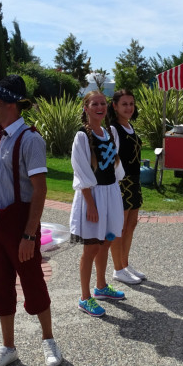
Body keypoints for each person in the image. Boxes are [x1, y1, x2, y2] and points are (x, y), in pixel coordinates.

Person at [0, 75, 62, 366]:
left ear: (11, 104)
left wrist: (29, 234)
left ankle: (49, 340)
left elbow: (40, 190)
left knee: (33, 282)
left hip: (20, 226)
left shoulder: (30, 139)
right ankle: (8, 347)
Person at [70, 90, 126, 317]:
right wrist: (91, 205)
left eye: (103, 103)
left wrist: (115, 196)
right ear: (86, 108)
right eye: (95, 104)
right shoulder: (82, 136)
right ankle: (85, 298)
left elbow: (115, 166)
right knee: (92, 247)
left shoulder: (111, 132)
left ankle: (101, 286)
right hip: (93, 197)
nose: (100, 107)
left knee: (107, 241)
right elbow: (81, 171)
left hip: (110, 194)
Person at [108, 90, 146, 285]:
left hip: (134, 180)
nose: (129, 107)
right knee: (119, 228)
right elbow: (110, 158)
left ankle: (125, 264)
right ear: (115, 106)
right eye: (124, 104)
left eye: (131, 104)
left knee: (131, 225)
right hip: (121, 183)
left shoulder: (130, 126)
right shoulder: (113, 129)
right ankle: (118, 269)